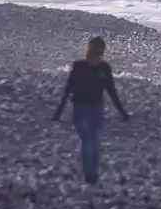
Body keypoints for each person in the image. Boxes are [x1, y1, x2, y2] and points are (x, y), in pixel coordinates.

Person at [52, 35, 130, 185]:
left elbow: (111, 91)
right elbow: (68, 89)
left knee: (93, 142)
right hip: (80, 108)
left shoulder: (104, 68)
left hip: (96, 109)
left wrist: (123, 113)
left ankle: (91, 174)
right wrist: (59, 111)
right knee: (89, 141)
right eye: (97, 51)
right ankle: (90, 175)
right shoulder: (79, 66)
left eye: (101, 52)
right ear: (91, 50)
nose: (99, 54)